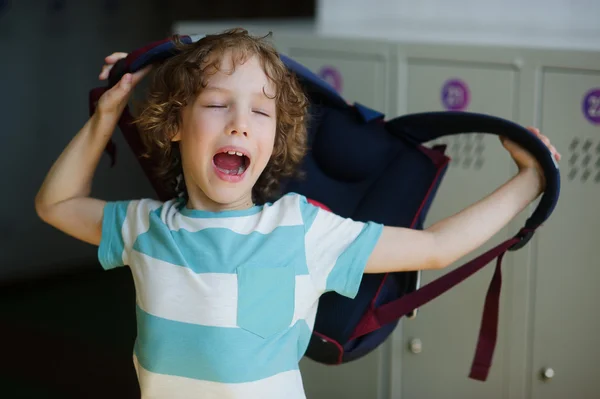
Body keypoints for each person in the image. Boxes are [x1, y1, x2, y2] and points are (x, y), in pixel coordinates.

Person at [35, 29, 561, 398]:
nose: (241, 123)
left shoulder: (302, 229)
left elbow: (436, 247)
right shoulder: (144, 228)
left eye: (260, 111)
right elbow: (55, 204)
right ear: (174, 125)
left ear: (273, 139)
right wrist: (108, 111)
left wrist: (531, 181)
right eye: (218, 104)